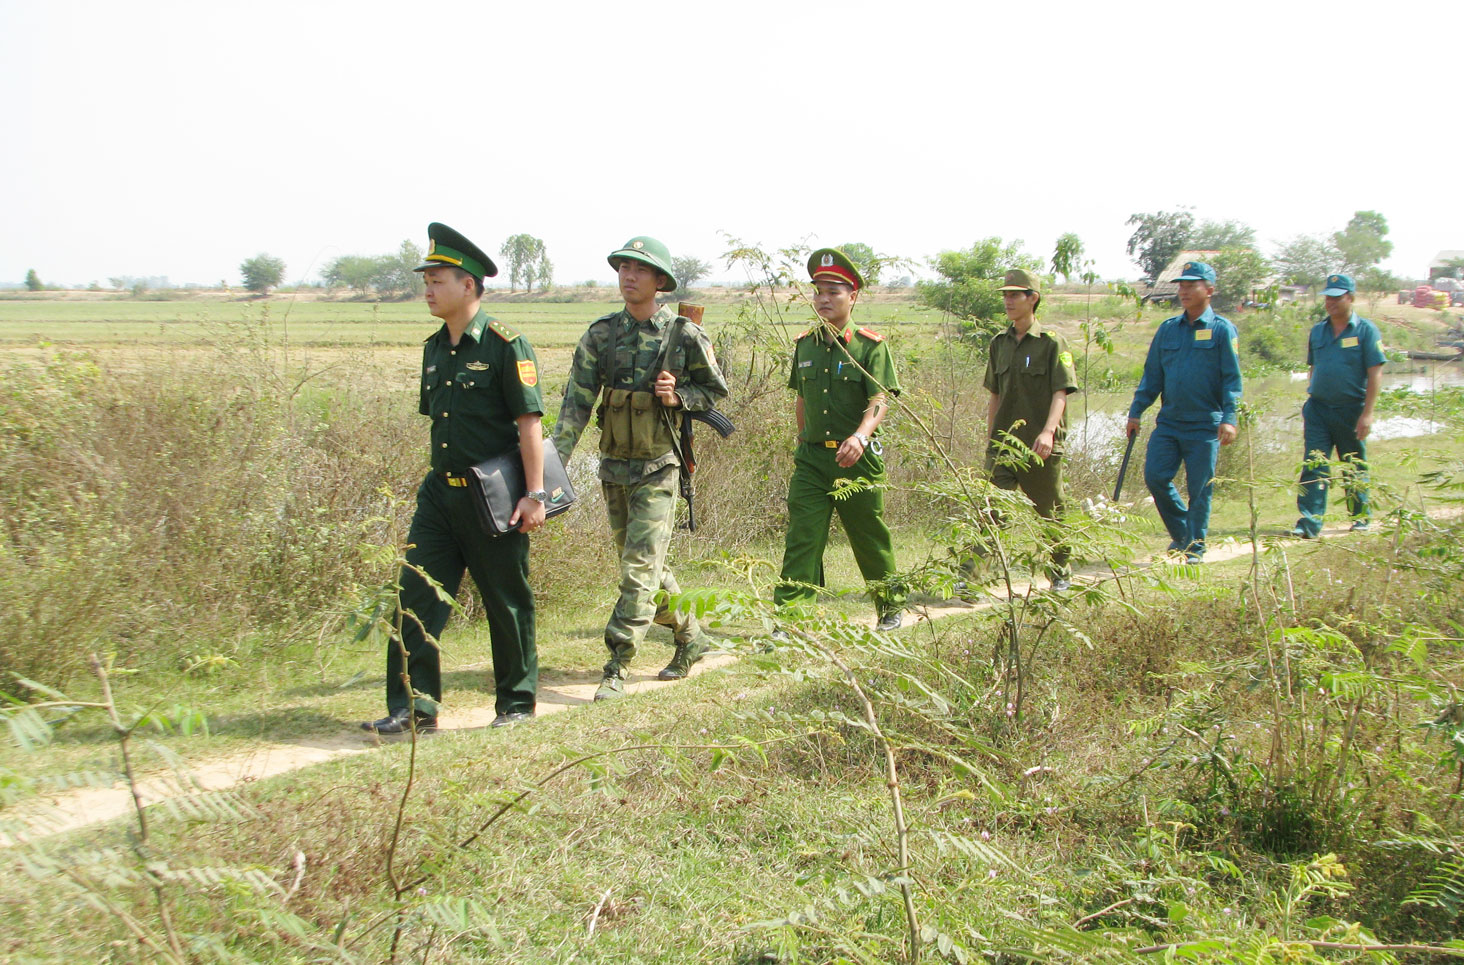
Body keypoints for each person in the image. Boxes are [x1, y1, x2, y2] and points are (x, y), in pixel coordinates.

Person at [362, 223, 545, 734]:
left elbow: (529, 425)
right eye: (426, 280)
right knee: (415, 597)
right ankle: (412, 708)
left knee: (506, 602)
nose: (428, 289)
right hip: (439, 496)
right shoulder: (434, 349)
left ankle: (515, 704)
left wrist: (534, 495)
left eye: (437, 280)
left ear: (468, 285)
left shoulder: (509, 346)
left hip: (495, 498)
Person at [554, 236, 729, 701]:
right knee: (648, 570)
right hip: (614, 468)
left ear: (659, 281)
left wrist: (679, 397)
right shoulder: (601, 335)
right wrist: (554, 467)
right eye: (623, 267)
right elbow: (575, 404)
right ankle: (692, 636)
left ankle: (618, 663)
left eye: (639, 269)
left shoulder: (683, 335)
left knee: (637, 570)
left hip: (659, 468)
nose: (628, 276)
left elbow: (715, 392)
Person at [775, 248, 906, 631]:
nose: (824, 299)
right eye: (819, 291)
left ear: (853, 297)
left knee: (869, 537)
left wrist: (861, 437)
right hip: (813, 461)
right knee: (803, 539)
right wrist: (802, 442)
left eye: (834, 291)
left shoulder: (870, 347)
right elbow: (801, 398)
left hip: (858, 461)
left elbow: (880, 398)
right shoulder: (805, 345)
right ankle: (790, 621)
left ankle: (890, 606)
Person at [1126, 260, 1242, 564]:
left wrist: (1230, 419)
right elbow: (1152, 375)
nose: (1184, 290)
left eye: (1192, 285)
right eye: (1182, 285)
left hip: (1205, 425)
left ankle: (1194, 548)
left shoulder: (1221, 330)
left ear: (1210, 290)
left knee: (1200, 489)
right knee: (1155, 476)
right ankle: (1183, 534)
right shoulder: (1168, 330)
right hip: (1170, 423)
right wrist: (1136, 411)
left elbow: (1232, 378)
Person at [979, 269, 1079, 590]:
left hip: (1040, 446)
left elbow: (1061, 392)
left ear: (1032, 299)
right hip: (1004, 447)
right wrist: (992, 439)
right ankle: (970, 579)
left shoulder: (1052, 343)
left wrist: (1048, 432)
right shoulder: (999, 344)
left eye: (1015, 295)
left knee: (1050, 512)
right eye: (1005, 295)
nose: (1008, 301)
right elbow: (995, 394)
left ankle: (1059, 572)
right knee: (990, 513)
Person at [1290, 273, 1385, 538]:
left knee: (1353, 464)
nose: (1330, 302)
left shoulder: (1366, 331)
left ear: (1351, 298)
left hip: (1351, 410)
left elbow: (1375, 372)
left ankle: (1360, 517)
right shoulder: (1318, 330)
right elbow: (1314, 367)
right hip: (1318, 409)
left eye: (1337, 297)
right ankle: (1309, 522)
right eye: (1328, 298)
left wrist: (1367, 414)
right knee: (1314, 463)